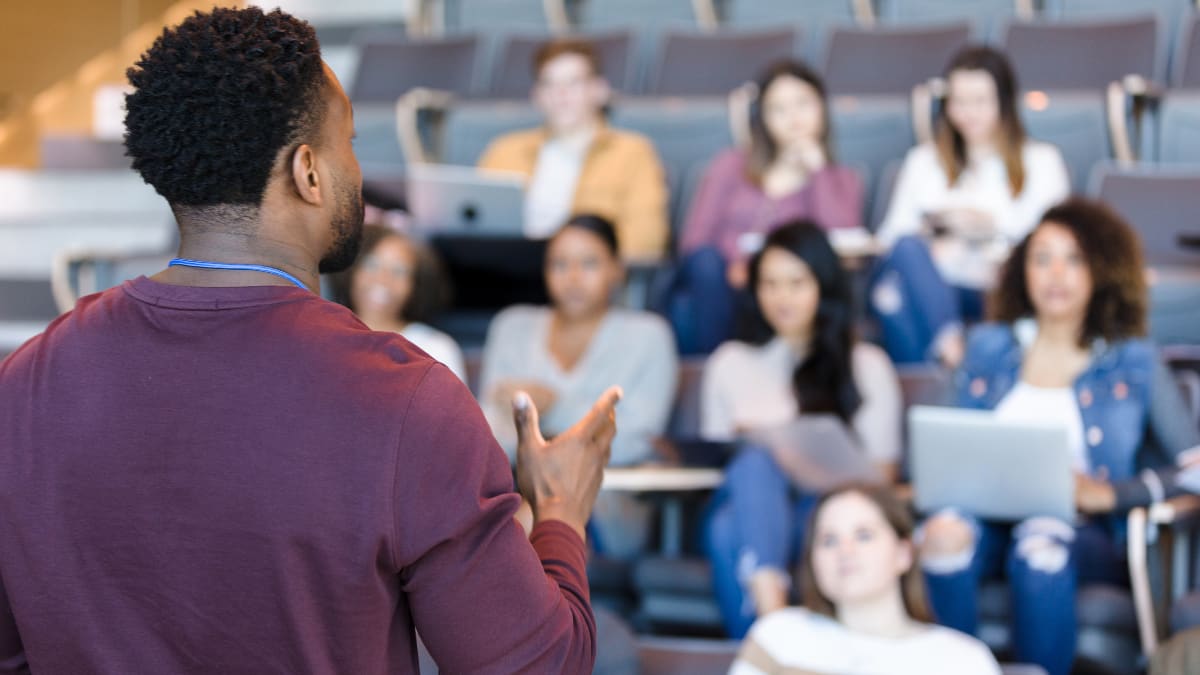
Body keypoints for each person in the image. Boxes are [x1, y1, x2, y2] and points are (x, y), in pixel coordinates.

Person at [0, 7, 622, 672]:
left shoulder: (28, 378)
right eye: (346, 141)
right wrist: (560, 513)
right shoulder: (405, 399)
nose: (357, 168)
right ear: (309, 172)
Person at [918, 198, 1200, 675]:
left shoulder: (1133, 360)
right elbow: (936, 444)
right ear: (1021, 270)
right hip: (982, 519)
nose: (1055, 274)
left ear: (1102, 271)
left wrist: (1111, 495)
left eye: (1074, 259)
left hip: (1082, 533)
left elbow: (1194, 467)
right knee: (943, 537)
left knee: (1039, 543)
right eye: (1042, 258)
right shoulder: (985, 346)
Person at [701, 221, 902, 637]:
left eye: (796, 283)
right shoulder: (729, 362)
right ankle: (774, 624)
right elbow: (714, 460)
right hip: (749, 498)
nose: (782, 297)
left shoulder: (866, 365)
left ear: (823, 286)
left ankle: (767, 644)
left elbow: (883, 477)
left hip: (823, 512)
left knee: (727, 529)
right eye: (770, 284)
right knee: (753, 465)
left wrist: (799, 460)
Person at [479, 213, 678, 559]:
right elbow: (486, 432)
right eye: (560, 264)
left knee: (520, 528)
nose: (572, 278)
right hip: (511, 489)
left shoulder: (649, 336)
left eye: (589, 263)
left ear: (617, 269)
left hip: (607, 498)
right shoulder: (512, 327)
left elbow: (636, 439)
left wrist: (550, 407)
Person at [872, 46, 1070, 366]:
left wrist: (989, 230)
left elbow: (1053, 239)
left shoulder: (1041, 161)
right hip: (939, 280)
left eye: (980, 101)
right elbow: (891, 239)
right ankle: (951, 348)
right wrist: (932, 239)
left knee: (890, 299)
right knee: (903, 262)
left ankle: (937, 377)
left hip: (1000, 283)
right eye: (959, 102)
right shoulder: (923, 161)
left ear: (1003, 102)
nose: (969, 113)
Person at [669, 60, 864, 355]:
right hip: (725, 286)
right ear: (762, 118)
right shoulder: (729, 165)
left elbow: (842, 245)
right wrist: (738, 266)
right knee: (705, 264)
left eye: (803, 104)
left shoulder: (840, 179)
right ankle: (716, 366)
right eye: (779, 109)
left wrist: (818, 172)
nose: (794, 118)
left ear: (822, 109)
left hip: (789, 291)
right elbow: (694, 241)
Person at [730, 483, 1002, 674]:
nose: (845, 551)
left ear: (903, 554)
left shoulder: (961, 661)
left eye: (864, 536)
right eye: (829, 540)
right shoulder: (780, 635)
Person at [478, 39, 668, 261]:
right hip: (507, 265)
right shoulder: (504, 150)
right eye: (549, 84)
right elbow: (476, 224)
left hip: (586, 272)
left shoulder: (633, 152)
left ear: (600, 90)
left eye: (573, 83)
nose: (561, 94)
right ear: (536, 95)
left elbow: (646, 241)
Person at [334, 224, 466, 382]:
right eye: (371, 265)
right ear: (352, 270)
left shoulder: (436, 348)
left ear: (415, 285)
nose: (383, 279)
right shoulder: (328, 338)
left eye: (399, 271)